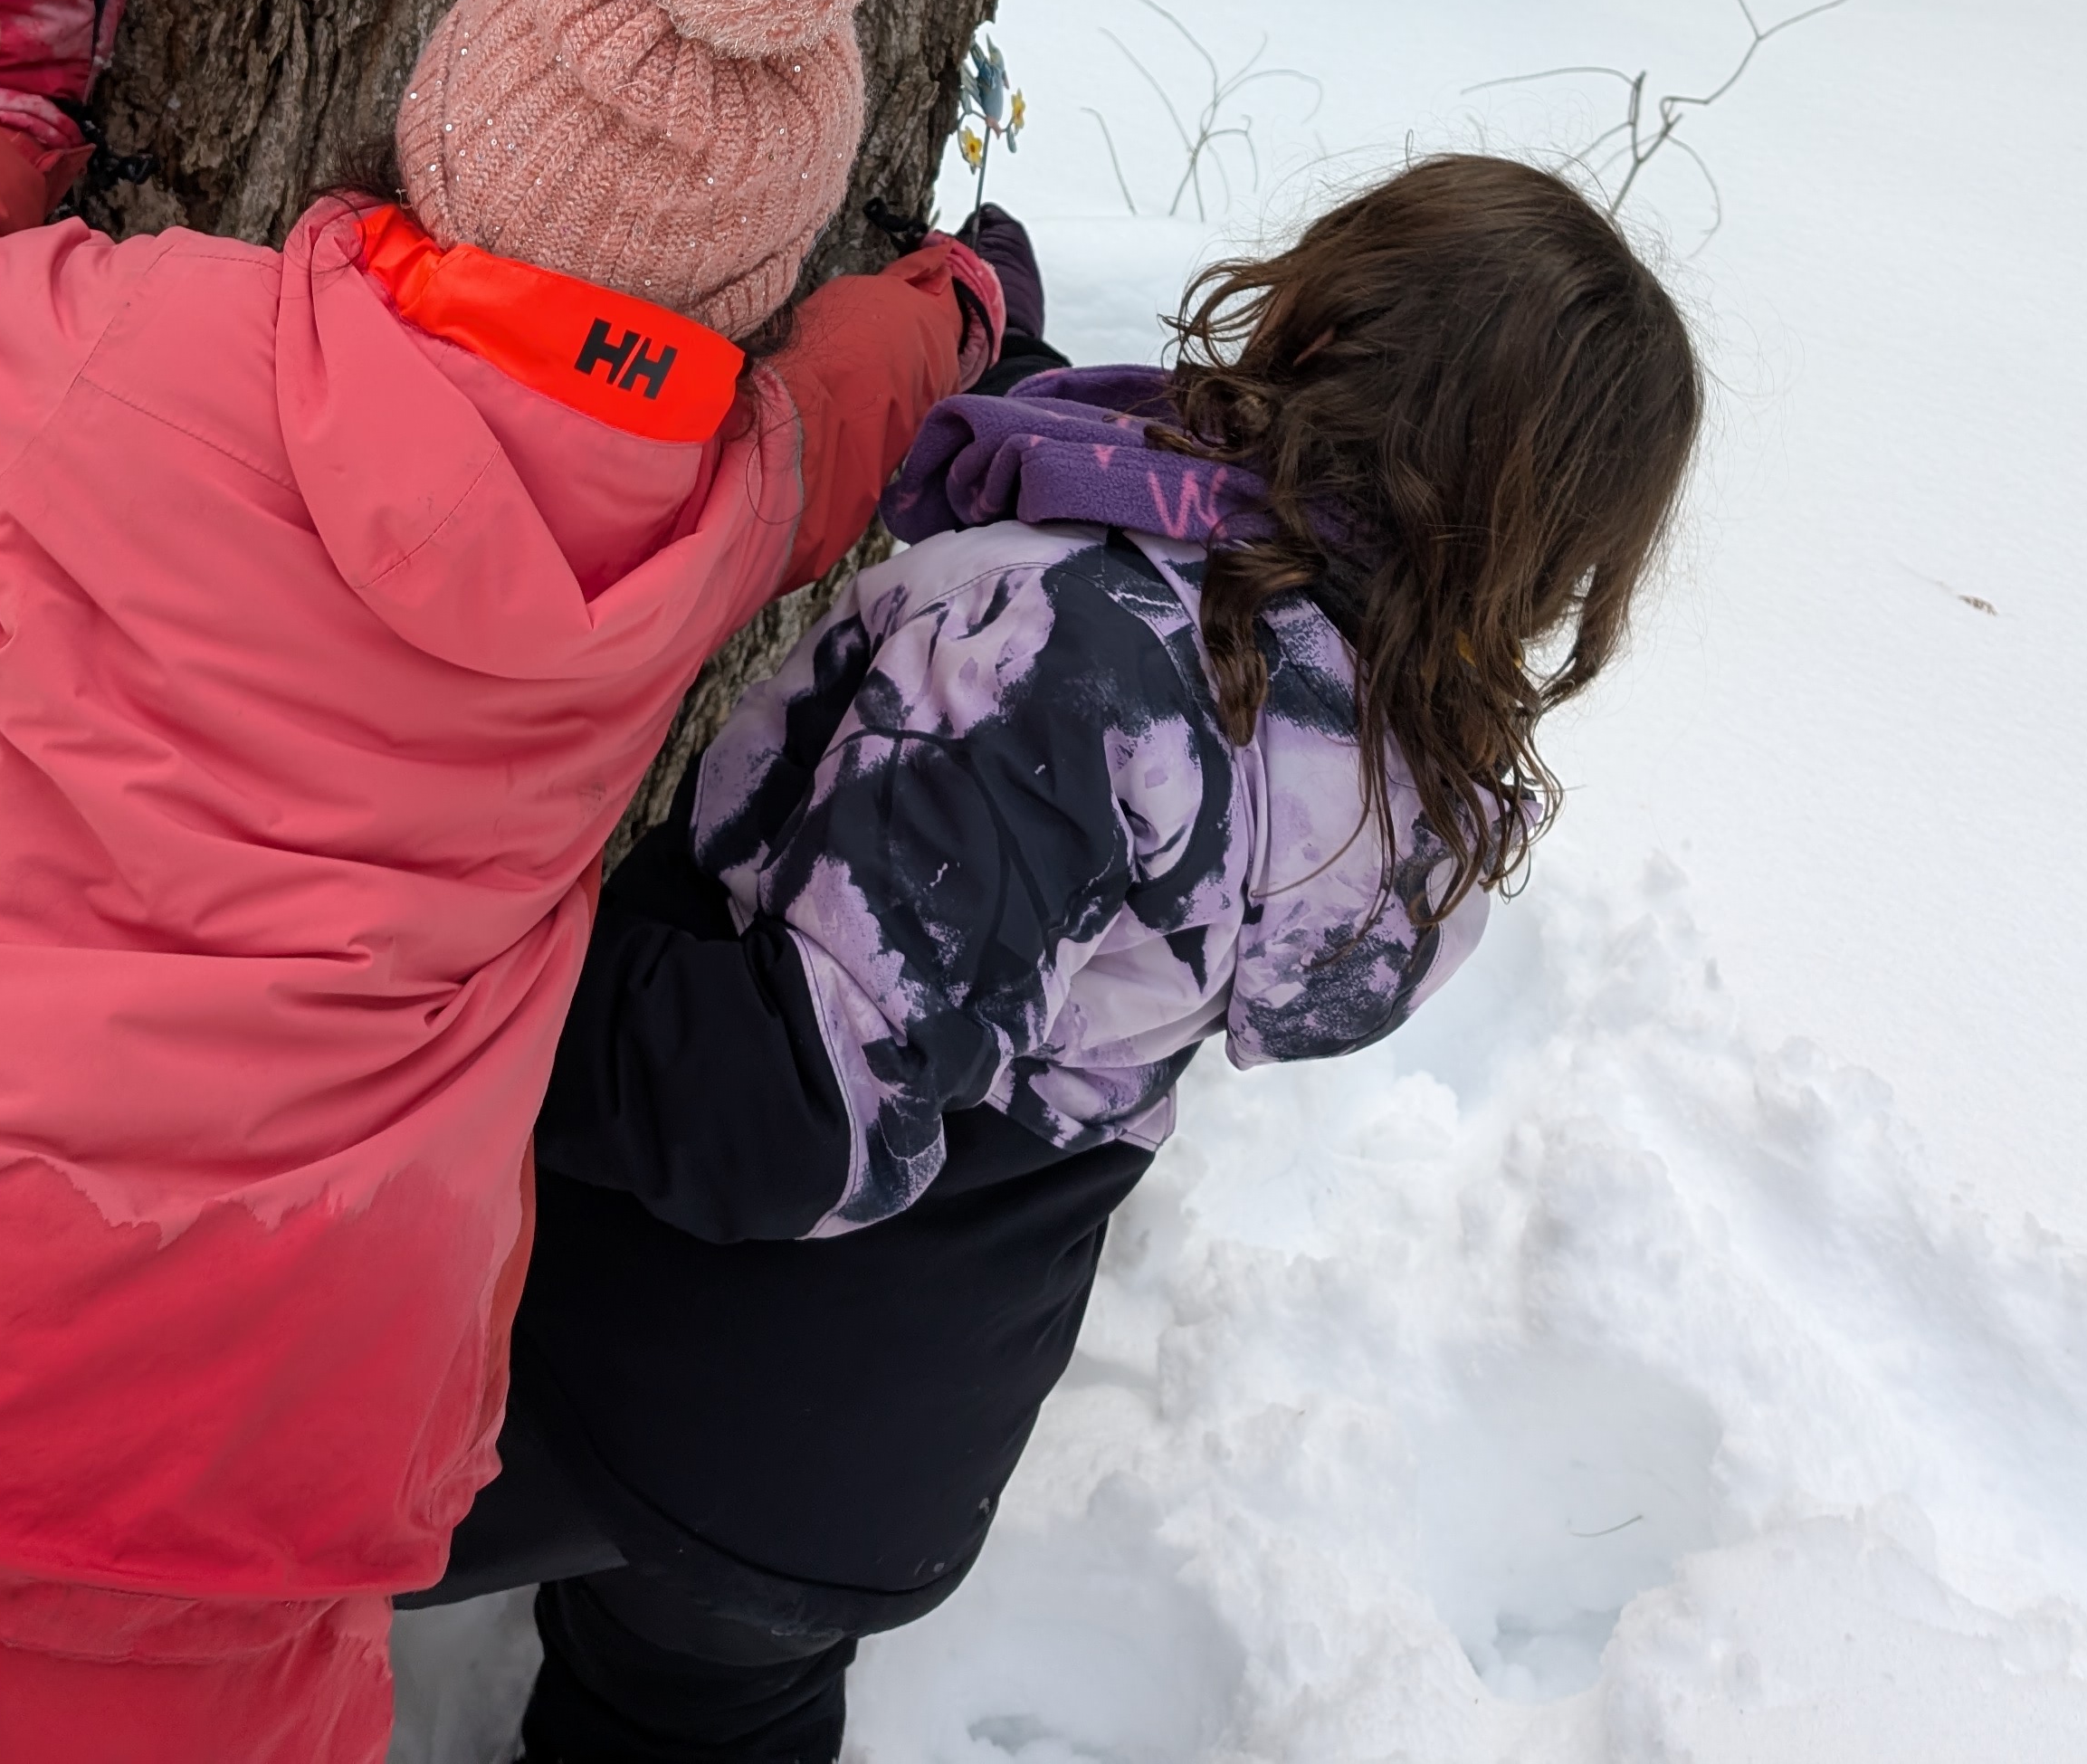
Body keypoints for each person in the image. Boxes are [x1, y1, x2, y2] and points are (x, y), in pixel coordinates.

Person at [0, 0, 1003, 1764]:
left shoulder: (144, 345)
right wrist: (948, 304)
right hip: (280, 1442)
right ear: (746, 275)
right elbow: (841, 410)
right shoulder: (717, 506)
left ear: (452, 115)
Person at [415, 156, 1702, 1763]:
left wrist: (474, 960)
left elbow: (797, 1101)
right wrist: (995, 353)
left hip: (639, 1355)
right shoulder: (1381, 760)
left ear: (1331, 311)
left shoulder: (1069, 657)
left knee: (143, 1556)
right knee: (690, 1695)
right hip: (885, 1454)